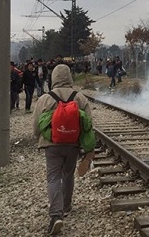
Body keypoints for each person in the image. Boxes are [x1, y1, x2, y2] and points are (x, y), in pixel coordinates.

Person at [32, 64, 93, 235]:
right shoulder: (79, 97)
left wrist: (38, 137)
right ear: (69, 77)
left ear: (54, 78)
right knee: (68, 174)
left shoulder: (45, 98)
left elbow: (36, 125)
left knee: (53, 177)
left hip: (51, 144)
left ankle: (56, 214)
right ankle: (66, 206)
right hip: (72, 143)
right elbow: (88, 123)